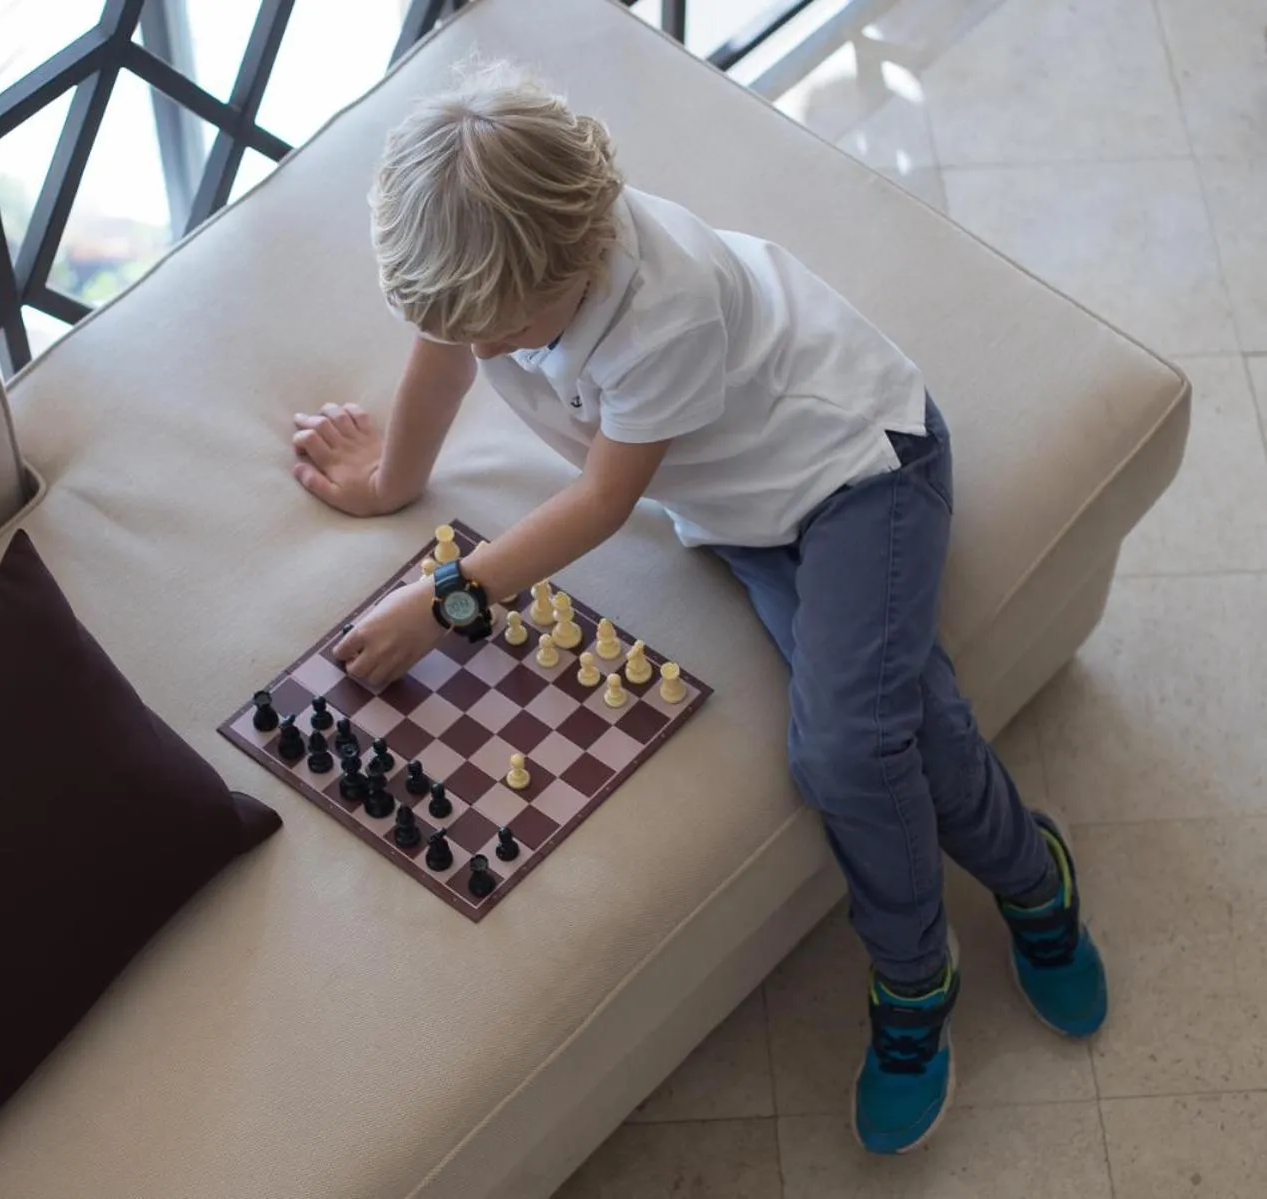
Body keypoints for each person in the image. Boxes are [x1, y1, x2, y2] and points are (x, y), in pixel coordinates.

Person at [289, 62, 1106, 1155]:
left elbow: (600, 497)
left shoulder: (660, 307)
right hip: (738, 507)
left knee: (845, 753)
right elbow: (444, 340)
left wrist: (442, 602)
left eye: (495, 329)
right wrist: (393, 477)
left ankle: (919, 975)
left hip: (855, 473)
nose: (479, 350)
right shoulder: (499, 269)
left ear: (572, 261)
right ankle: (1029, 873)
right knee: (902, 713)